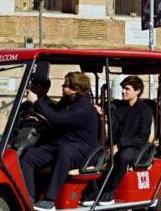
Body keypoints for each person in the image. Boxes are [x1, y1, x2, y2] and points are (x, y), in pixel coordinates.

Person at [19, 72, 98, 211]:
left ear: (75, 89)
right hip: (62, 144)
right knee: (29, 155)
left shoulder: (83, 107)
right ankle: (29, 196)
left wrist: (36, 102)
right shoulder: (67, 101)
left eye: (66, 85)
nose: (62, 86)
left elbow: (58, 119)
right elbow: (53, 113)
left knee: (64, 151)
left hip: (83, 149)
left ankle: (49, 200)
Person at [82, 76, 153, 206]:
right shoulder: (119, 105)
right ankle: (93, 189)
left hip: (135, 148)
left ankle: (110, 190)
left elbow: (142, 137)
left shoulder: (145, 110)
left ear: (137, 91)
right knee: (93, 154)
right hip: (114, 145)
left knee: (123, 156)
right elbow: (105, 108)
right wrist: (97, 108)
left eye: (127, 89)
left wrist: (120, 145)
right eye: (122, 89)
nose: (123, 91)